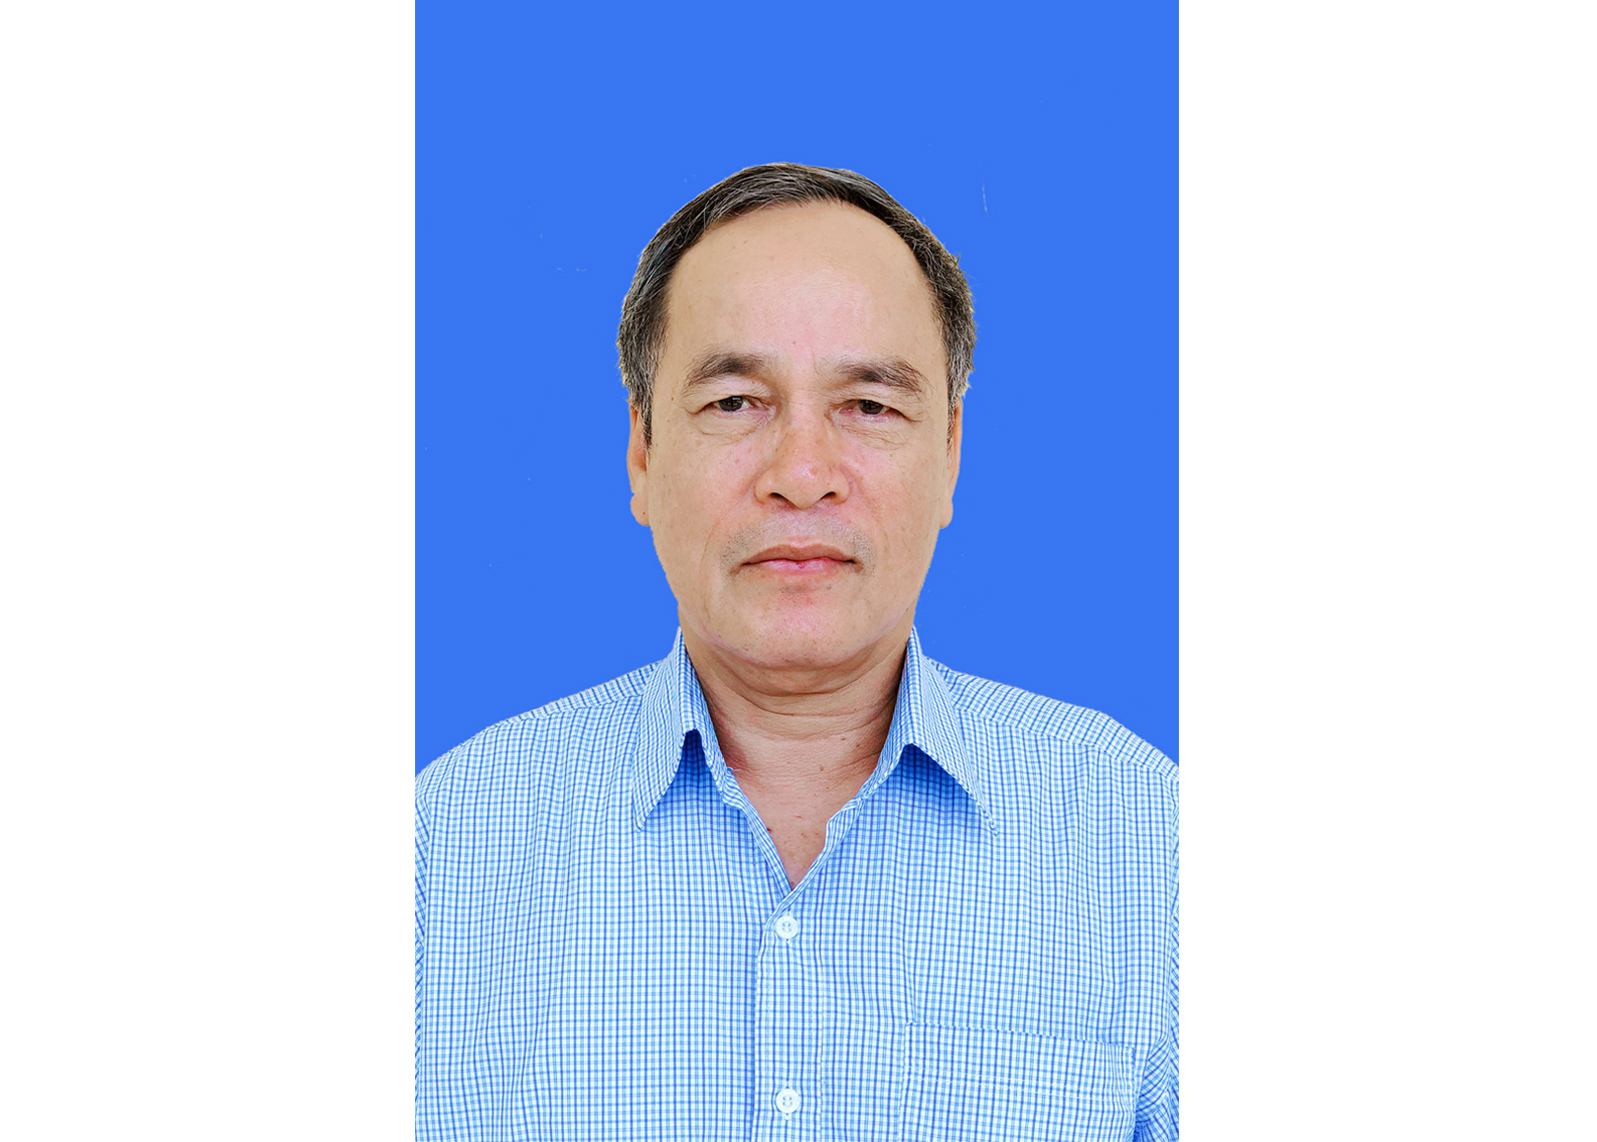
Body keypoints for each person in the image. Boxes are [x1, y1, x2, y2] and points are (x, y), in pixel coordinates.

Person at [416, 163, 1177, 1141]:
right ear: (642, 451)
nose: (802, 474)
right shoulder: (441, 854)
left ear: (950, 454)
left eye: (869, 406)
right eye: (736, 402)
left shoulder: (1147, 846)